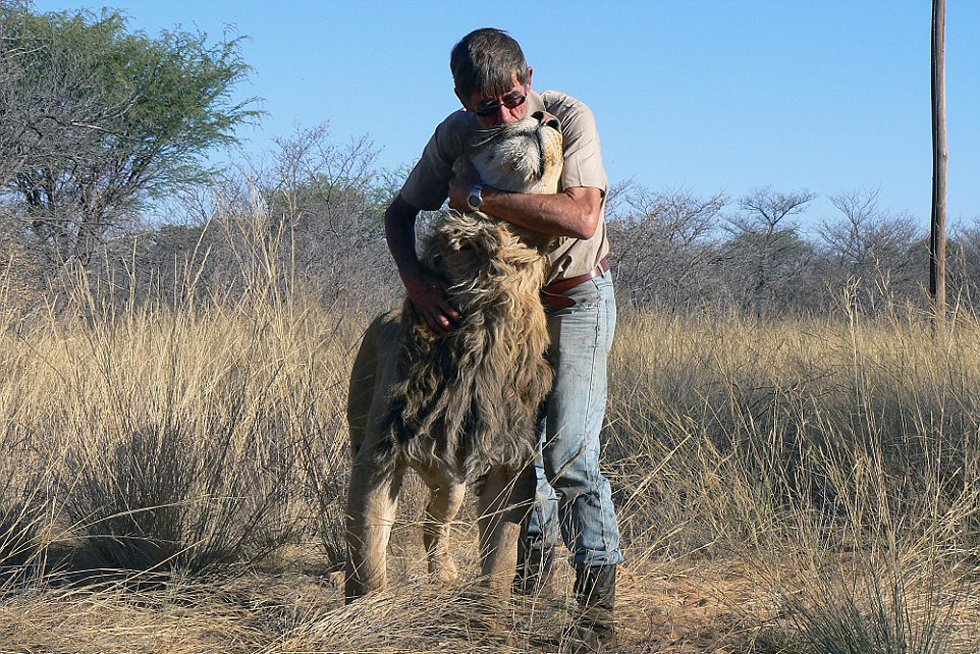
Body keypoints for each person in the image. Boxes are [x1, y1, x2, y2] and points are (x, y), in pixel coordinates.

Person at [384, 28, 622, 650]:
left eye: (515, 99)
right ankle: (524, 595)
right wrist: (416, 284)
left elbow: (581, 216)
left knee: (569, 454)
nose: (506, 116)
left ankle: (597, 609)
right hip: (503, 311)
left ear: (528, 77)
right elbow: (400, 211)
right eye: (487, 108)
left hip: (573, 300)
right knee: (514, 451)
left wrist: (480, 198)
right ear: (463, 98)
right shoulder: (455, 134)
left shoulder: (568, 115)